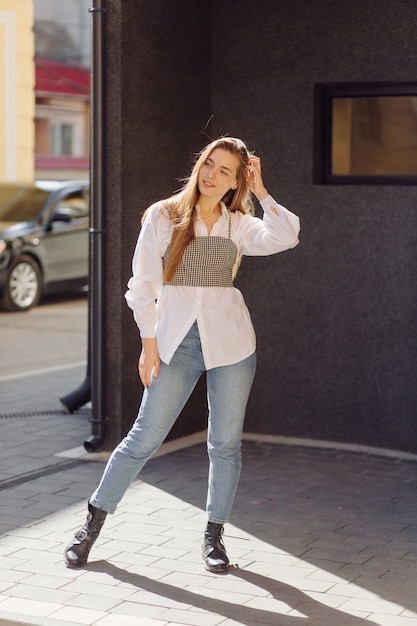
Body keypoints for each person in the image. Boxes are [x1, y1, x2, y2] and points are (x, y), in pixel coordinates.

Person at [64, 136, 300, 573]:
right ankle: (89, 529)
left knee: (225, 445)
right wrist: (147, 344)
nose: (212, 175)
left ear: (235, 182)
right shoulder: (164, 215)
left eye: (226, 171)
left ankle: (214, 537)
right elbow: (142, 286)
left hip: (232, 344)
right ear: (199, 165)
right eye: (209, 164)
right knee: (142, 439)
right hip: (175, 343)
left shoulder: (238, 223)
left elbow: (287, 235)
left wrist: (261, 189)